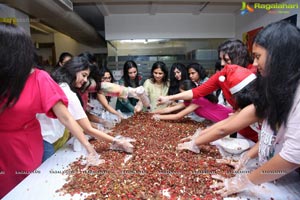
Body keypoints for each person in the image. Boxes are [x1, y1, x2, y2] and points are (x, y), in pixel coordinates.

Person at [0, 23, 100, 198]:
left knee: (25, 191)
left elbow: (66, 117)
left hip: (23, 147)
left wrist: (88, 147)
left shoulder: (39, 78)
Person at [209, 21, 300, 197]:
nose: (255, 64)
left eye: (258, 57)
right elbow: (272, 137)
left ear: (279, 57)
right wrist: (247, 157)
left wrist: (241, 182)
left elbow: (291, 157)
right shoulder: (278, 86)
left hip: (289, 180)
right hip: (271, 175)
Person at [157, 39, 258, 142]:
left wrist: (196, 140)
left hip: (256, 123)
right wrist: (168, 98)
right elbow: (196, 92)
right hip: (236, 121)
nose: (222, 64)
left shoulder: (254, 74)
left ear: (239, 56)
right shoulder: (222, 74)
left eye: (226, 60)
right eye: (221, 59)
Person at [38, 56, 135, 161]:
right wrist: (117, 141)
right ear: (74, 70)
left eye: (87, 77)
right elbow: (87, 128)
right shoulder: (67, 91)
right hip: (45, 139)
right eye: (83, 75)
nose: (84, 80)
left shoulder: (57, 83)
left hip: (42, 136)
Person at [152, 80, 232, 123]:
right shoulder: (188, 101)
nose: (182, 96)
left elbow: (178, 116)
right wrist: (153, 113)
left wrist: (159, 117)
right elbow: (170, 109)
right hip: (220, 121)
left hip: (227, 117)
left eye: (183, 94)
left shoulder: (198, 100)